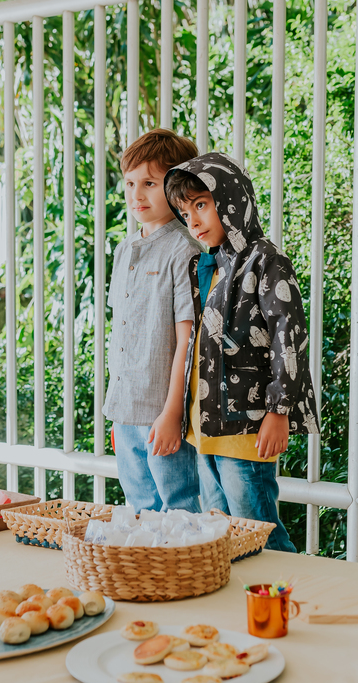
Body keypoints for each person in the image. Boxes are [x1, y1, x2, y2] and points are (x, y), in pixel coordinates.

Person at [165, 154, 319, 553]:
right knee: (223, 538)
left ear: (232, 200)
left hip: (246, 428)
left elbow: (290, 338)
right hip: (208, 428)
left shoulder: (266, 261)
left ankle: (286, 603)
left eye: (201, 205)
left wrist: (278, 411)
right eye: (185, 211)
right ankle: (245, 610)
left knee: (261, 535)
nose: (193, 221)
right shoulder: (208, 266)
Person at [105, 129, 202, 513]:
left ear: (177, 187)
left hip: (163, 411)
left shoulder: (185, 250)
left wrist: (171, 412)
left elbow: (188, 340)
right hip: (126, 408)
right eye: (130, 183)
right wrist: (118, 411)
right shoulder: (124, 249)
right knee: (138, 508)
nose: (136, 194)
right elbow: (123, 333)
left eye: (149, 183)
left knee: (179, 510)